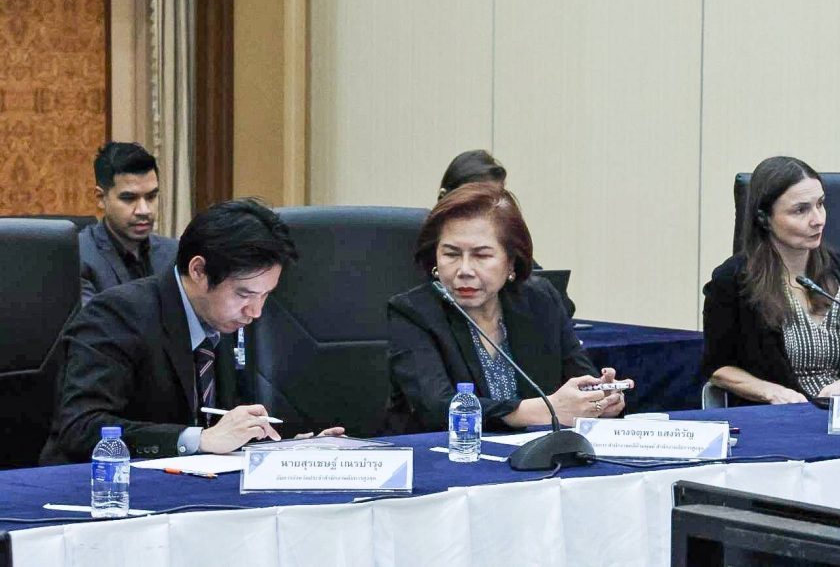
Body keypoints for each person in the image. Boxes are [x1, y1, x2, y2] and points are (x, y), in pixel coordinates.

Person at [41, 198, 343, 464]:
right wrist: (198, 439)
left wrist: (286, 451)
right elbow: (81, 427)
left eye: (265, 295)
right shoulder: (116, 315)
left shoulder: (231, 319)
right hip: (97, 490)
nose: (255, 312)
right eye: (244, 294)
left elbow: (229, 426)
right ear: (198, 270)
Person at [387, 183, 632, 433]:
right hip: (447, 451)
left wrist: (601, 400)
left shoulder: (540, 300)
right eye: (451, 254)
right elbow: (436, 408)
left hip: (538, 451)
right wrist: (543, 410)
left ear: (511, 262)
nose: (464, 270)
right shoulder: (413, 312)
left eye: (482, 256)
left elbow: (580, 379)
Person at [700, 156, 840, 406]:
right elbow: (717, 368)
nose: (818, 219)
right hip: (778, 417)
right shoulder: (732, 280)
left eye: (820, 204)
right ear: (764, 218)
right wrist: (770, 392)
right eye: (801, 210)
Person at [437, 149, 576, 316]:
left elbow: (562, 305)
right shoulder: (425, 245)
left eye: (497, 198)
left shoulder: (502, 241)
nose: (491, 208)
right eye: (477, 201)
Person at [79, 142, 178, 305]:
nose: (144, 210)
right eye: (129, 198)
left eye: (151, 197)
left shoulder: (175, 254)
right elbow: (94, 320)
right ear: (101, 198)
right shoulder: (79, 257)